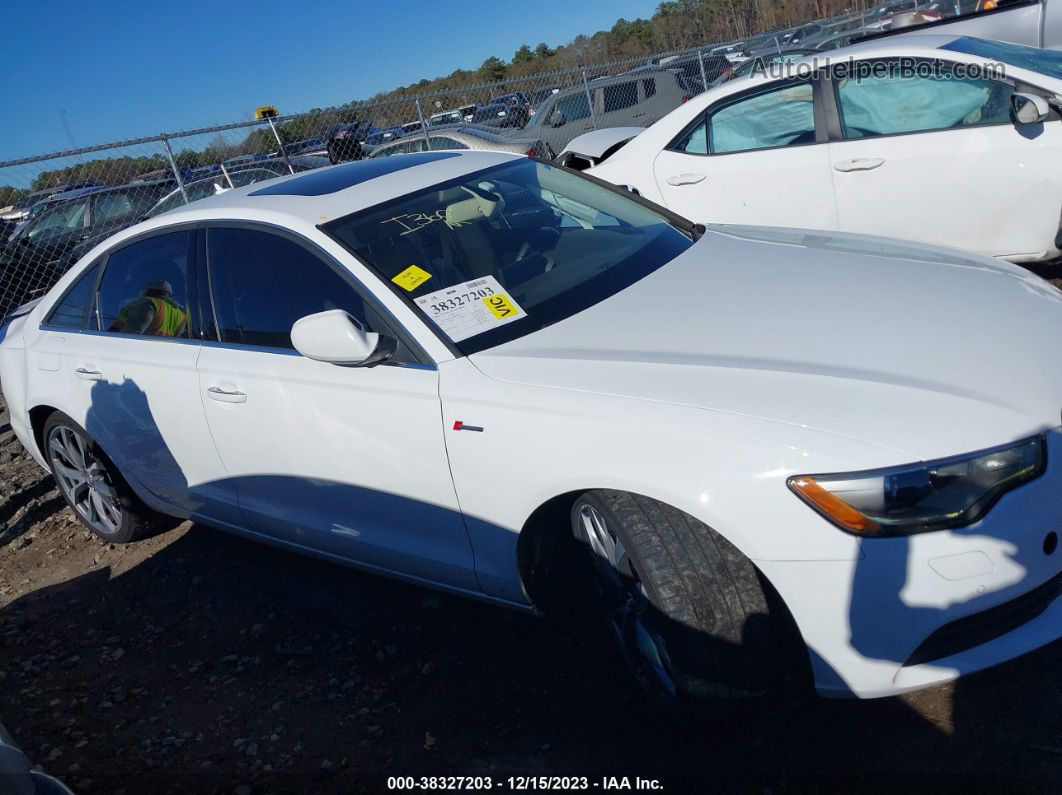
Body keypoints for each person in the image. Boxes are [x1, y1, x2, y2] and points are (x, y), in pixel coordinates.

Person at [110, 279, 188, 337]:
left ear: (148, 290)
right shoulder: (181, 314)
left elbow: (130, 335)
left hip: (138, 352)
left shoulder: (147, 303)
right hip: (161, 354)